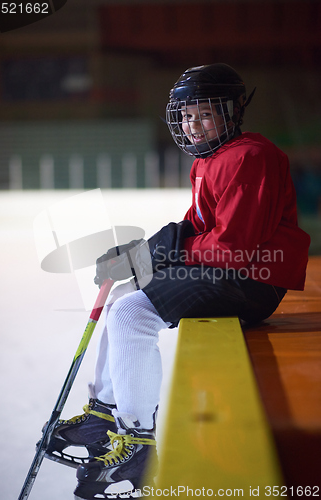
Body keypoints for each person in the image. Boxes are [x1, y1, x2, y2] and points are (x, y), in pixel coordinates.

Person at [45, 64, 310, 499]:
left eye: (204, 114)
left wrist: (155, 254)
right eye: (186, 116)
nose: (192, 124)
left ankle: (136, 441)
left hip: (251, 280)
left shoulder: (251, 157)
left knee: (133, 313)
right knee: (124, 298)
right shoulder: (209, 161)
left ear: (232, 112)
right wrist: (139, 257)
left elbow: (233, 248)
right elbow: (196, 228)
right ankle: (104, 414)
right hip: (227, 271)